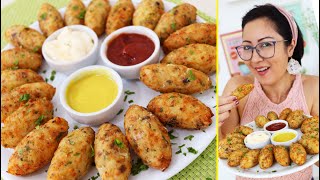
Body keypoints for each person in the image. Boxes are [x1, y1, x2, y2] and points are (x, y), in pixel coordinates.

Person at [218, 3, 319, 180]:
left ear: (290, 46)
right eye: (248, 47)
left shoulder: (313, 87)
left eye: (265, 44)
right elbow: (226, 149)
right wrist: (213, 124)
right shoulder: (236, 87)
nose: (255, 59)